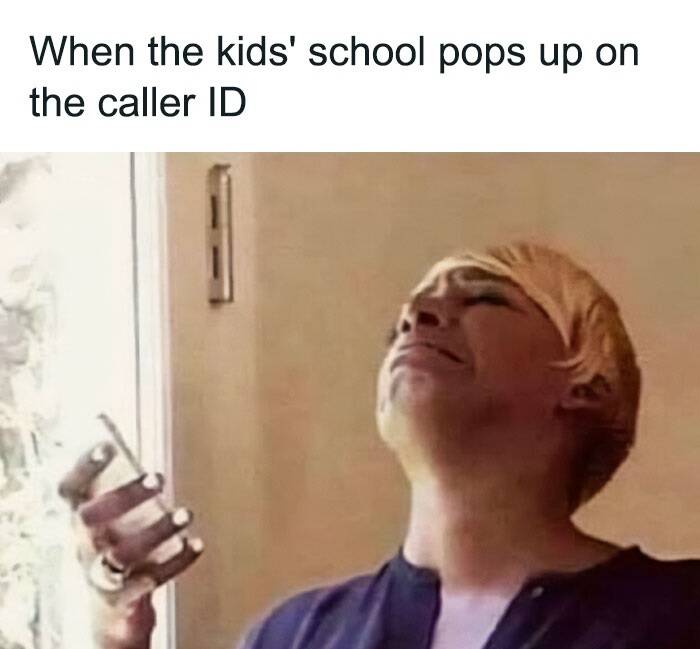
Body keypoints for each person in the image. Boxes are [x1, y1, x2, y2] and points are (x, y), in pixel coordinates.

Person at [59, 242, 700, 649]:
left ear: (585, 386)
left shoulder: (678, 614)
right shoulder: (294, 635)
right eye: (404, 319)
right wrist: (117, 634)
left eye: (483, 298)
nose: (417, 317)